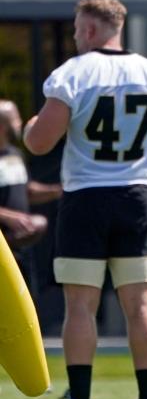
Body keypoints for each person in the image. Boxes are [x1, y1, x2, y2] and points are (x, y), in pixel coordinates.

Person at [24, 0, 147, 399]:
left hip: (86, 199)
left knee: (80, 306)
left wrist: (25, 127)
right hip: (137, 199)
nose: (75, 36)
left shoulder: (74, 73)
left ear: (91, 30)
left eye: (77, 29)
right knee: (142, 305)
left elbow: (40, 142)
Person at [0, 100, 62, 275]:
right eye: (15, 119)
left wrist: (59, 191)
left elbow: (27, 191)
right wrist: (10, 218)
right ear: (2, 126)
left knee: (29, 298)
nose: (19, 123)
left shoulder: (15, 154)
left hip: (22, 247)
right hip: (3, 245)